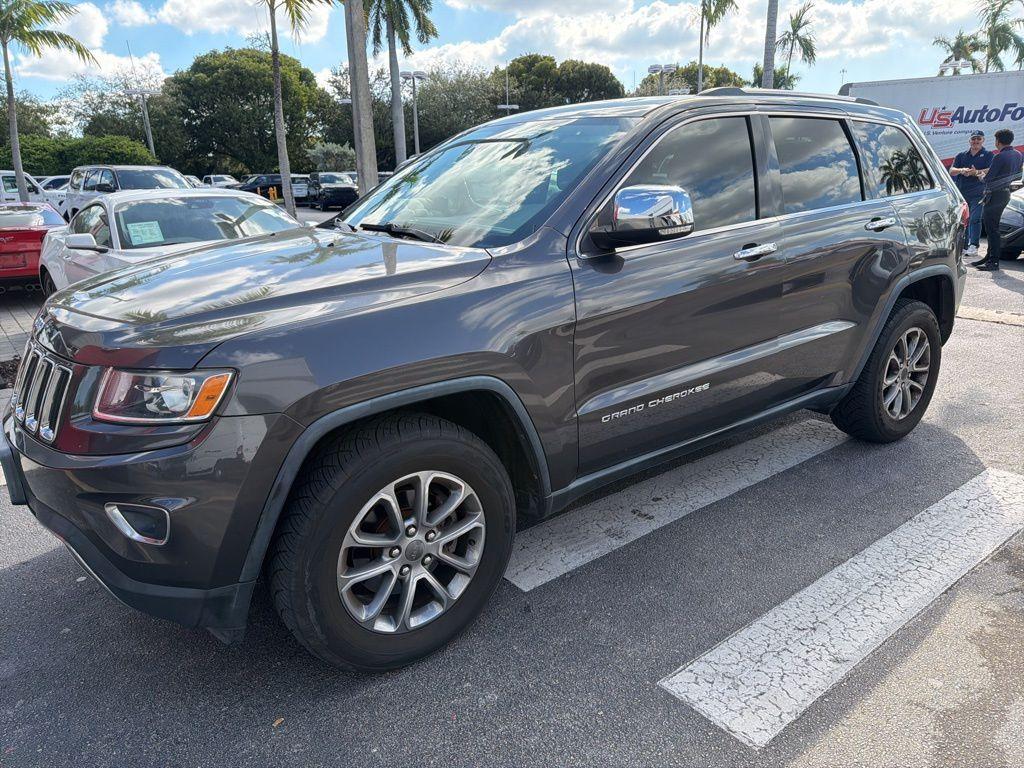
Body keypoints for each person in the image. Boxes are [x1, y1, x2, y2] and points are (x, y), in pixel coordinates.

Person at [975, 129, 1024, 271]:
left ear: (998, 141)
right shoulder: (1018, 154)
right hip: (1005, 193)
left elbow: (988, 179)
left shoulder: (999, 157)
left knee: (992, 229)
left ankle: (993, 261)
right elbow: (1016, 176)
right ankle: (989, 256)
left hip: (994, 195)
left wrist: (979, 175)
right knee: (993, 227)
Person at [948, 130, 992, 257]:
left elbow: (990, 170)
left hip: (979, 192)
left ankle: (974, 245)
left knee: (975, 219)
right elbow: (951, 170)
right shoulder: (962, 155)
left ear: (983, 140)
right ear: (969, 141)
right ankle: (964, 246)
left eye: (978, 139)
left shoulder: (988, 155)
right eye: (973, 139)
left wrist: (975, 172)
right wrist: (961, 170)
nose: (976, 141)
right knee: (963, 220)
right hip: (962, 193)